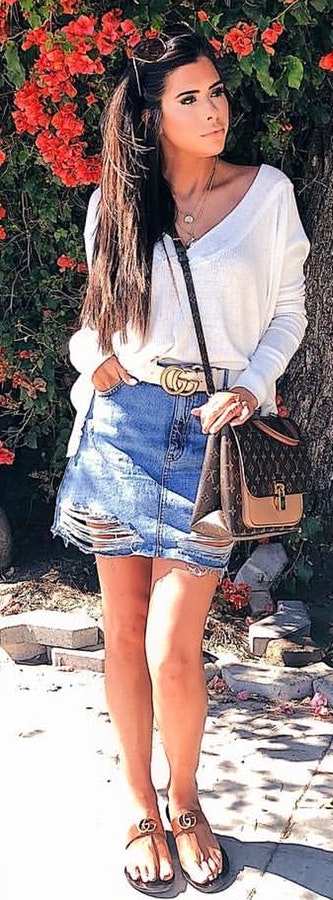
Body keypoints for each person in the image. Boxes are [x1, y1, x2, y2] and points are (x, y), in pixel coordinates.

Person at [52, 30, 310, 895]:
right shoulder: (114, 204)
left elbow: (287, 307)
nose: (213, 109)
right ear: (153, 116)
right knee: (123, 631)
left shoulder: (265, 193)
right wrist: (95, 361)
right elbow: (94, 321)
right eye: (189, 98)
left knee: (172, 643)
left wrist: (255, 386)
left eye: (216, 91)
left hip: (210, 434)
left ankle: (188, 800)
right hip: (123, 425)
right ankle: (139, 806)